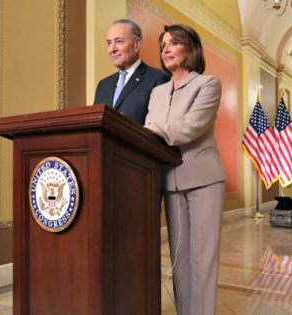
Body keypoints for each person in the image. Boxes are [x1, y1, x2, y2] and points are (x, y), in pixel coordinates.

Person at [144, 24, 225, 315]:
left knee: (202, 260)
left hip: (204, 178)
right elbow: (152, 129)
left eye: (173, 43)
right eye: (163, 44)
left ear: (190, 49)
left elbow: (191, 127)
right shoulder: (157, 92)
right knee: (180, 261)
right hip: (170, 180)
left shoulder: (208, 84)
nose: (166, 49)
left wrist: (151, 130)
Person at [94, 19, 169, 125]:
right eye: (109, 43)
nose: (112, 49)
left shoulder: (157, 78)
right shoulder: (103, 85)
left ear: (136, 45)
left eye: (118, 41)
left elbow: (159, 127)